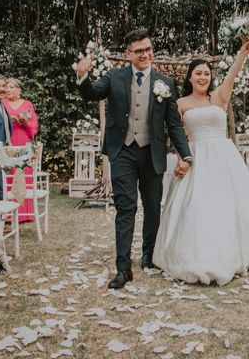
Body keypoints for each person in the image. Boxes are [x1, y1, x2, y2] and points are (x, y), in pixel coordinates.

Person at [153, 38, 249, 285]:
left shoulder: (219, 97)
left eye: (207, 74)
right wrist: (182, 160)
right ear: (190, 77)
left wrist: (243, 54)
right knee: (197, 207)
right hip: (196, 160)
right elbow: (178, 135)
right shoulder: (180, 103)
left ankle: (239, 251)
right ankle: (198, 254)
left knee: (233, 206)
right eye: (198, 73)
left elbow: (233, 73)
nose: (203, 77)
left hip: (224, 160)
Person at [76, 29, 192, 289]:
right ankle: (123, 267)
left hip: (152, 152)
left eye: (148, 49)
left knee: (152, 205)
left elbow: (173, 124)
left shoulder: (165, 83)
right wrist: (83, 75)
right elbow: (92, 93)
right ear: (128, 54)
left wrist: (186, 154)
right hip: (123, 151)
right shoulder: (114, 77)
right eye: (139, 51)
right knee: (125, 207)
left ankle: (149, 256)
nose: (145, 54)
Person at [3, 78, 39, 223]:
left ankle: (25, 213)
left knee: (23, 172)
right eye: (7, 87)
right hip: (9, 139)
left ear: (19, 90)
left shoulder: (27, 104)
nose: (8, 89)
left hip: (23, 138)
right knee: (9, 172)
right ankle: (9, 212)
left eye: (11, 87)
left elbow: (34, 125)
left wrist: (24, 122)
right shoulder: (2, 103)